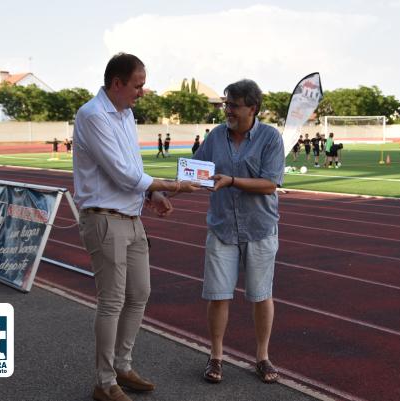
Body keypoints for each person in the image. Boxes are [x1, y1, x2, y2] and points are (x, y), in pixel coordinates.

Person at [73, 53, 199, 401]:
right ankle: (104, 382)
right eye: (137, 85)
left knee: (139, 293)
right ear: (117, 83)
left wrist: (154, 193)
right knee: (111, 301)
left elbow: (134, 166)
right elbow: (122, 173)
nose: (142, 92)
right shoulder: (93, 115)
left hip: (131, 218)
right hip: (104, 218)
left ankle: (122, 367)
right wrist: (173, 185)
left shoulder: (126, 114)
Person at [193, 79, 284, 385]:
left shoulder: (271, 137)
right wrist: (164, 191)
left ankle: (262, 356)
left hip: (259, 229)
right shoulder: (216, 135)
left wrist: (231, 180)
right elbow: (196, 171)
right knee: (218, 296)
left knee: (261, 296)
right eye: (226, 104)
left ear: (252, 108)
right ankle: (216, 356)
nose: (227, 110)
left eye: (233, 105)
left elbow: (270, 183)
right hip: (222, 227)